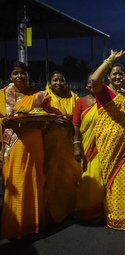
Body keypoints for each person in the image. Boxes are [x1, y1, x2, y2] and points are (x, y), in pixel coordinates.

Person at [91, 50, 125, 230]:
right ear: (108, 77)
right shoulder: (104, 93)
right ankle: (113, 216)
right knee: (112, 181)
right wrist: (110, 60)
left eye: (121, 74)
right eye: (114, 74)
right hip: (108, 145)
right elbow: (94, 80)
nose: (118, 76)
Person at [0, 62, 51, 239]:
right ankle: (14, 225)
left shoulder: (38, 96)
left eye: (23, 73)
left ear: (28, 76)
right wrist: (3, 122)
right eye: (15, 73)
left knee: (34, 181)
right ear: (10, 77)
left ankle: (32, 223)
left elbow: (44, 120)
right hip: (12, 144)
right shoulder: (1, 95)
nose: (19, 76)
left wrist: (29, 122)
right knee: (13, 181)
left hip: (33, 143)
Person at [43, 70, 81, 224]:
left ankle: (68, 210)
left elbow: (80, 116)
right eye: (55, 80)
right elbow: (36, 116)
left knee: (69, 177)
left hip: (67, 141)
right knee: (50, 176)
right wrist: (52, 121)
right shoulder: (43, 98)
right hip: (49, 142)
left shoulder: (73, 97)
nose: (58, 83)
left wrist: (70, 123)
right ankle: (49, 212)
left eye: (61, 80)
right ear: (49, 82)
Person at [73, 74, 104, 220]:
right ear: (87, 84)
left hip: (104, 145)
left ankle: (100, 208)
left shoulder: (107, 101)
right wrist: (77, 145)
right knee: (87, 177)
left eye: (96, 81)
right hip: (86, 144)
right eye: (90, 82)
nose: (93, 84)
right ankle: (86, 209)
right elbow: (76, 125)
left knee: (101, 176)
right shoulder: (81, 101)